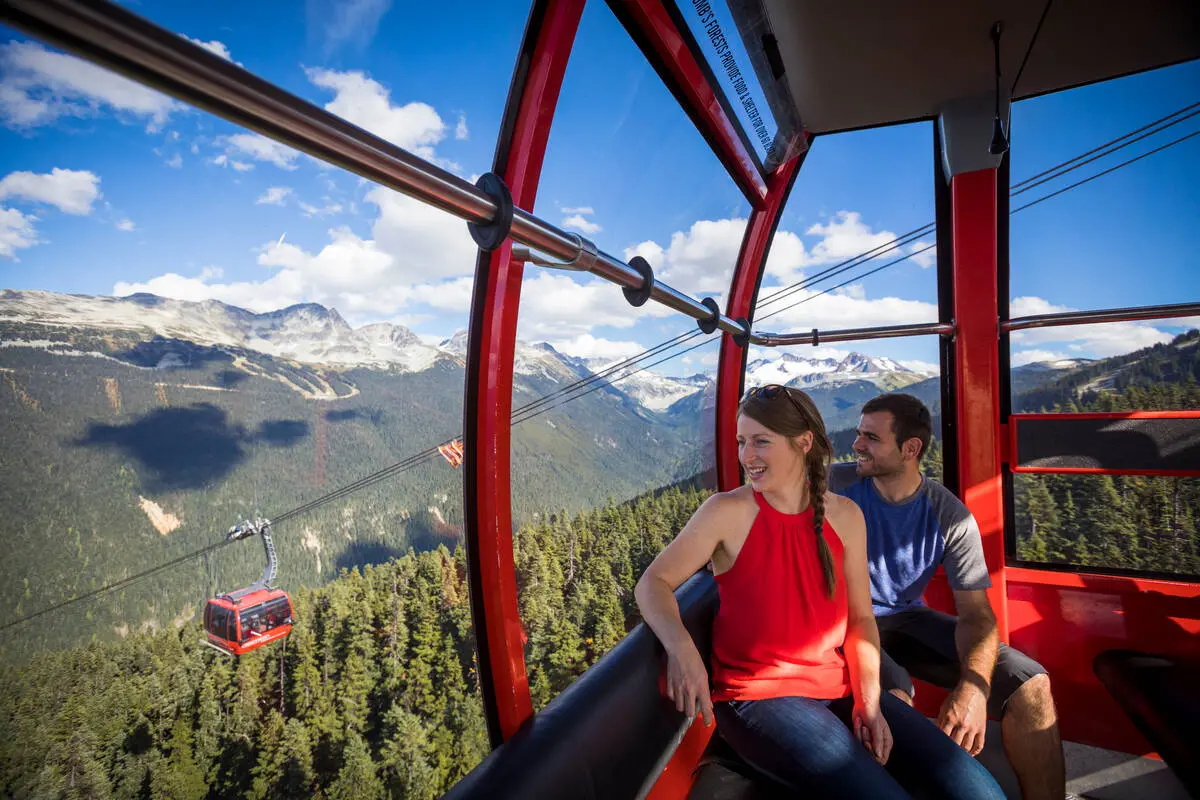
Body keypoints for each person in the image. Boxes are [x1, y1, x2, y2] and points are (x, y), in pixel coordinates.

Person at [635, 384, 1005, 798]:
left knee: (979, 791)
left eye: (761, 442)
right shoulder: (727, 512)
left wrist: (869, 701)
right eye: (742, 442)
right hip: (759, 697)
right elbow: (654, 583)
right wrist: (683, 650)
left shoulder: (845, 516)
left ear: (803, 443)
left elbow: (862, 620)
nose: (746, 456)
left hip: (839, 687)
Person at [840, 392, 1066, 800]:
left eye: (870, 438)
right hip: (844, 620)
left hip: (905, 619)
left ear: (911, 449)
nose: (856, 445)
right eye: (858, 434)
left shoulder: (949, 516)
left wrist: (974, 688)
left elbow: (977, 615)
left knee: (1031, 686)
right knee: (893, 699)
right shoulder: (835, 487)